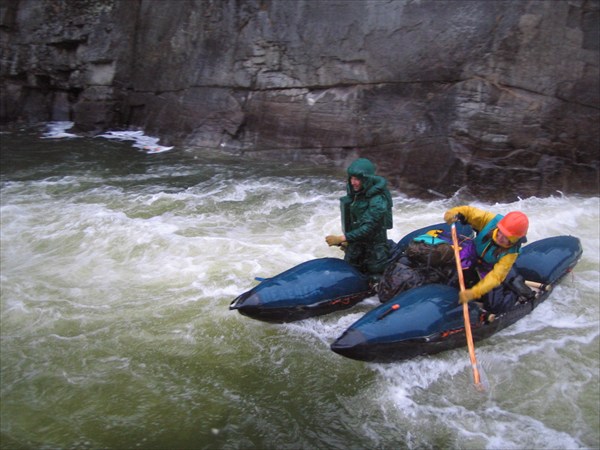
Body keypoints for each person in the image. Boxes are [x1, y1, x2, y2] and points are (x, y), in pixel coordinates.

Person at [444, 205, 529, 313]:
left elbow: (495, 277)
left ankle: (514, 294)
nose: (500, 238)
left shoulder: (511, 253)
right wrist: (455, 211)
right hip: (472, 253)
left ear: (515, 240)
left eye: (506, 238)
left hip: (490, 268)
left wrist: (474, 292)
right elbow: (470, 212)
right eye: (500, 232)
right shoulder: (491, 221)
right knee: (450, 274)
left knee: (495, 306)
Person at [325, 157, 393, 279]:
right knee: (349, 266)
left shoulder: (377, 200)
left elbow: (368, 228)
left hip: (375, 244)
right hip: (357, 241)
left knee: (376, 271)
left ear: (367, 179)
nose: (353, 182)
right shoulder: (356, 193)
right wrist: (348, 240)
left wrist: (342, 238)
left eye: (357, 179)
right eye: (351, 178)